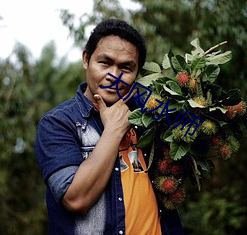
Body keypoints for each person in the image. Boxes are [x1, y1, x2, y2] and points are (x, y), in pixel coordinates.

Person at [35, 18, 184, 235]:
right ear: (86, 59)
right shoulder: (58, 123)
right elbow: (76, 199)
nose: (114, 76)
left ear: (137, 73)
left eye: (126, 67)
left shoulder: (151, 115)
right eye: (105, 63)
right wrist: (114, 129)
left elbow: (194, 136)